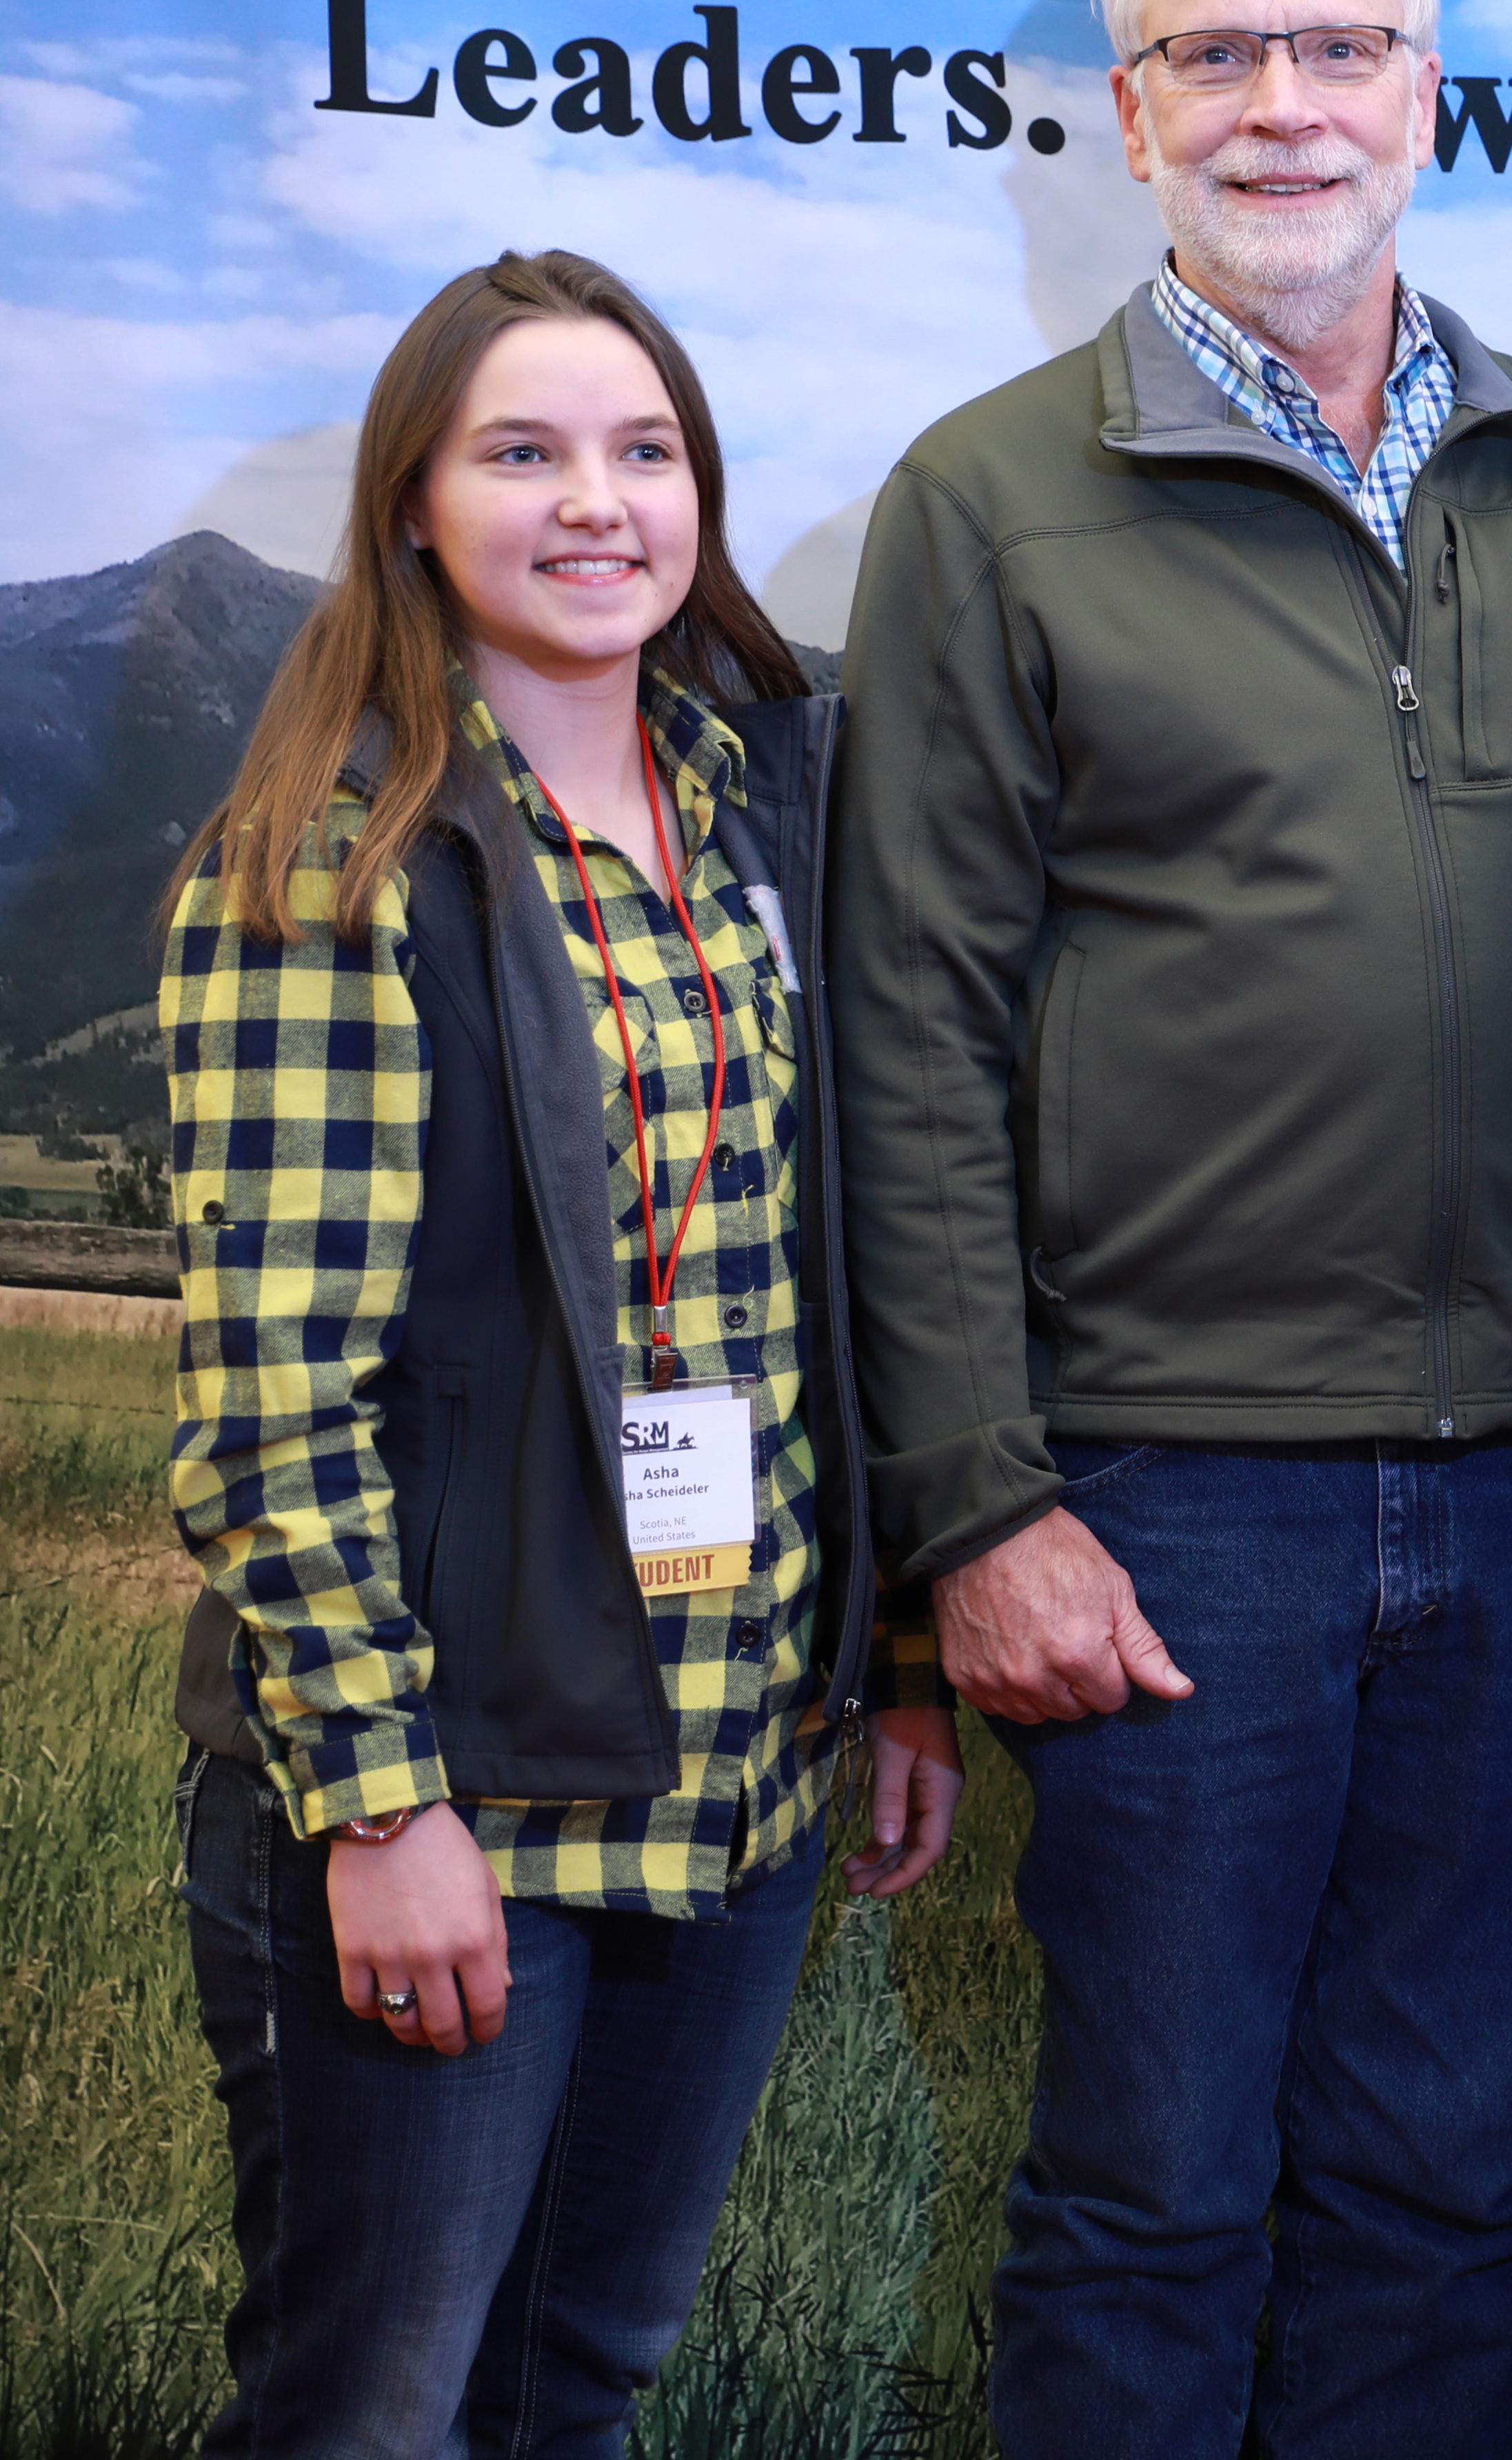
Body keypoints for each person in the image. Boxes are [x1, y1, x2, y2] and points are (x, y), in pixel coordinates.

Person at [829, 0, 1512, 2459]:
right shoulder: (990, 500)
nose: (1283, 106)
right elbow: (908, 1028)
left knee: (1441, 2195)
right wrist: (975, 1506)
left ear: (1428, 90)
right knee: (1153, 2196)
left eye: (1337, 50)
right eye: (1219, 53)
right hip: (1170, 1503)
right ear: (1128, 109)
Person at [161, 249, 960, 2460]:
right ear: (414, 503)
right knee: (372, 2414)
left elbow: (823, 1283)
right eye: (521, 452)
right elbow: (271, 1403)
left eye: (644, 450)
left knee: (580, 2381)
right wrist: (380, 1803)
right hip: (461, 1791)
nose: (594, 502)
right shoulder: (338, 858)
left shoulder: (749, 806)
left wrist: (884, 1658)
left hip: (740, 1770)